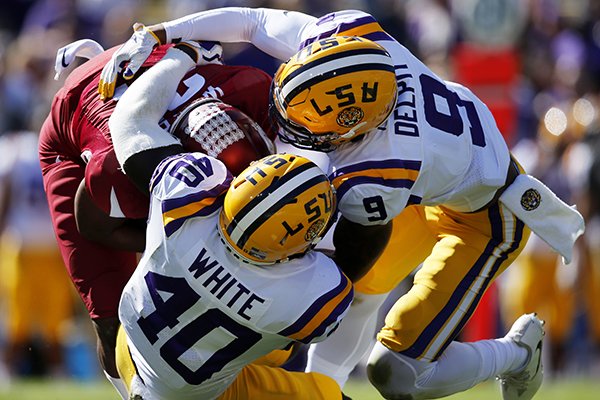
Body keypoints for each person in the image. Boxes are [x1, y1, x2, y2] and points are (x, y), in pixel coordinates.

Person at [98, 7, 586, 400]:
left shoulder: (380, 173)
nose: (294, 126)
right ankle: (325, 387)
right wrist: (164, 31)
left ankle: (518, 355)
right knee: (359, 293)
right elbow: (255, 23)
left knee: (396, 373)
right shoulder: (349, 39)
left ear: (355, 125)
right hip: (440, 174)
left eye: (312, 121)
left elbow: (344, 256)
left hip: (485, 216)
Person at [108, 42, 353, 399]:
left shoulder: (184, 203)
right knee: (312, 377)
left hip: (131, 349)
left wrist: (182, 55)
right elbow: (329, 288)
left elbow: (129, 121)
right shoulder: (306, 293)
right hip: (199, 392)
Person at [39, 34, 275, 397]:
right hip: (76, 122)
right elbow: (93, 225)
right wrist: (177, 241)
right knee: (111, 312)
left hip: (150, 68)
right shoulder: (126, 161)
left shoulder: (254, 91)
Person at [0, 131, 74, 378]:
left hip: (30, 243)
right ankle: (13, 368)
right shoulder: (53, 147)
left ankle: (54, 370)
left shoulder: (16, 150)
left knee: (51, 316)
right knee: (25, 314)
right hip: (33, 245)